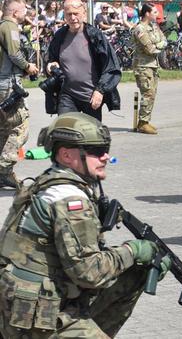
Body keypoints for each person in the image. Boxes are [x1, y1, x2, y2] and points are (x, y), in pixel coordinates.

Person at [0, 113, 170, 337]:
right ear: (67, 155)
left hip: (17, 302)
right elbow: (88, 273)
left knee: (134, 273)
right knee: (132, 262)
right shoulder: (70, 199)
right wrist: (134, 250)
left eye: (106, 149)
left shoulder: (46, 181)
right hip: (34, 316)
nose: (106, 157)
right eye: (97, 151)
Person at [47, 0, 121, 121]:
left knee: (91, 135)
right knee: (65, 130)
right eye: (69, 14)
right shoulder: (59, 36)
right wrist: (50, 64)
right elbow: (51, 59)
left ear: (84, 14)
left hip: (91, 96)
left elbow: (111, 67)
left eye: (76, 14)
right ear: (64, 15)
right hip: (67, 95)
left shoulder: (95, 36)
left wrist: (100, 91)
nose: (72, 18)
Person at [0, 0, 39, 189]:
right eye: (24, 10)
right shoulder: (10, 27)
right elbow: (15, 54)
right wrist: (29, 67)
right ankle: (4, 168)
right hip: (7, 85)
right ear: (15, 12)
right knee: (20, 127)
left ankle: (2, 175)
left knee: (3, 129)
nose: (27, 13)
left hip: (3, 82)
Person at [132, 3, 167, 135]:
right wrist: (158, 45)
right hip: (143, 66)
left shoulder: (154, 26)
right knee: (148, 93)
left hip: (153, 65)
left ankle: (145, 121)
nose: (157, 14)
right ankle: (142, 123)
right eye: (154, 12)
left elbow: (164, 40)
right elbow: (149, 49)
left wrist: (158, 44)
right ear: (147, 13)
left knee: (152, 93)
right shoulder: (140, 29)